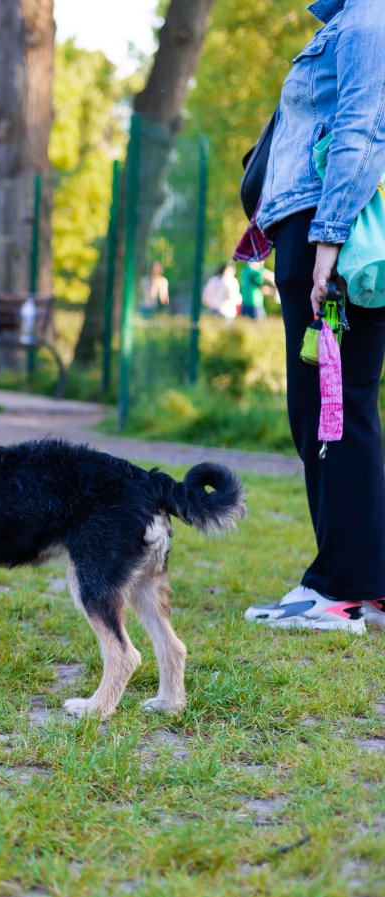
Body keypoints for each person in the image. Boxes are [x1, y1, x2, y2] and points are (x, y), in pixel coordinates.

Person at [243, 0, 385, 633]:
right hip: (321, 231)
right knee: (333, 409)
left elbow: (362, 127)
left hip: (333, 239)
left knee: (333, 412)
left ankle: (341, 592)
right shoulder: (347, 23)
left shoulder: (367, 22)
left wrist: (326, 239)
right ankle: (363, 583)